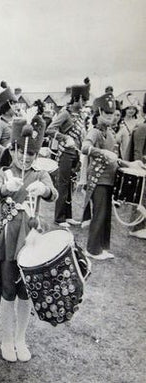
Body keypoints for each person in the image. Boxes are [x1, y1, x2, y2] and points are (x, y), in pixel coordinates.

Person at [0, 114, 57, 362]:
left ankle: (20, 339)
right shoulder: (5, 172)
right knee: (8, 289)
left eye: (31, 154)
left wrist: (45, 189)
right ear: (14, 149)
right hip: (9, 238)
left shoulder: (40, 174)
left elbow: (54, 194)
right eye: (21, 152)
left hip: (32, 240)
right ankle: (7, 340)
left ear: (37, 156)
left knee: (27, 291)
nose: (26, 157)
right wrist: (7, 188)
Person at [81, 93, 146, 259]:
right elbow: (85, 147)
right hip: (99, 179)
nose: (111, 117)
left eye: (113, 113)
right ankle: (92, 249)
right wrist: (101, 151)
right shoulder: (95, 132)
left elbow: (116, 159)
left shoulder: (109, 133)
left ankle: (102, 248)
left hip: (109, 179)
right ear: (100, 113)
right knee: (99, 214)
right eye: (107, 114)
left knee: (106, 215)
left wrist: (131, 164)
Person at [46, 79, 90, 228]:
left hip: (75, 154)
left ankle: (68, 216)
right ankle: (59, 218)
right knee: (63, 185)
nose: (84, 102)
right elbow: (50, 130)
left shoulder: (81, 115)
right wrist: (65, 137)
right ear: (76, 98)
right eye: (83, 99)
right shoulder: (65, 113)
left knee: (70, 185)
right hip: (65, 153)